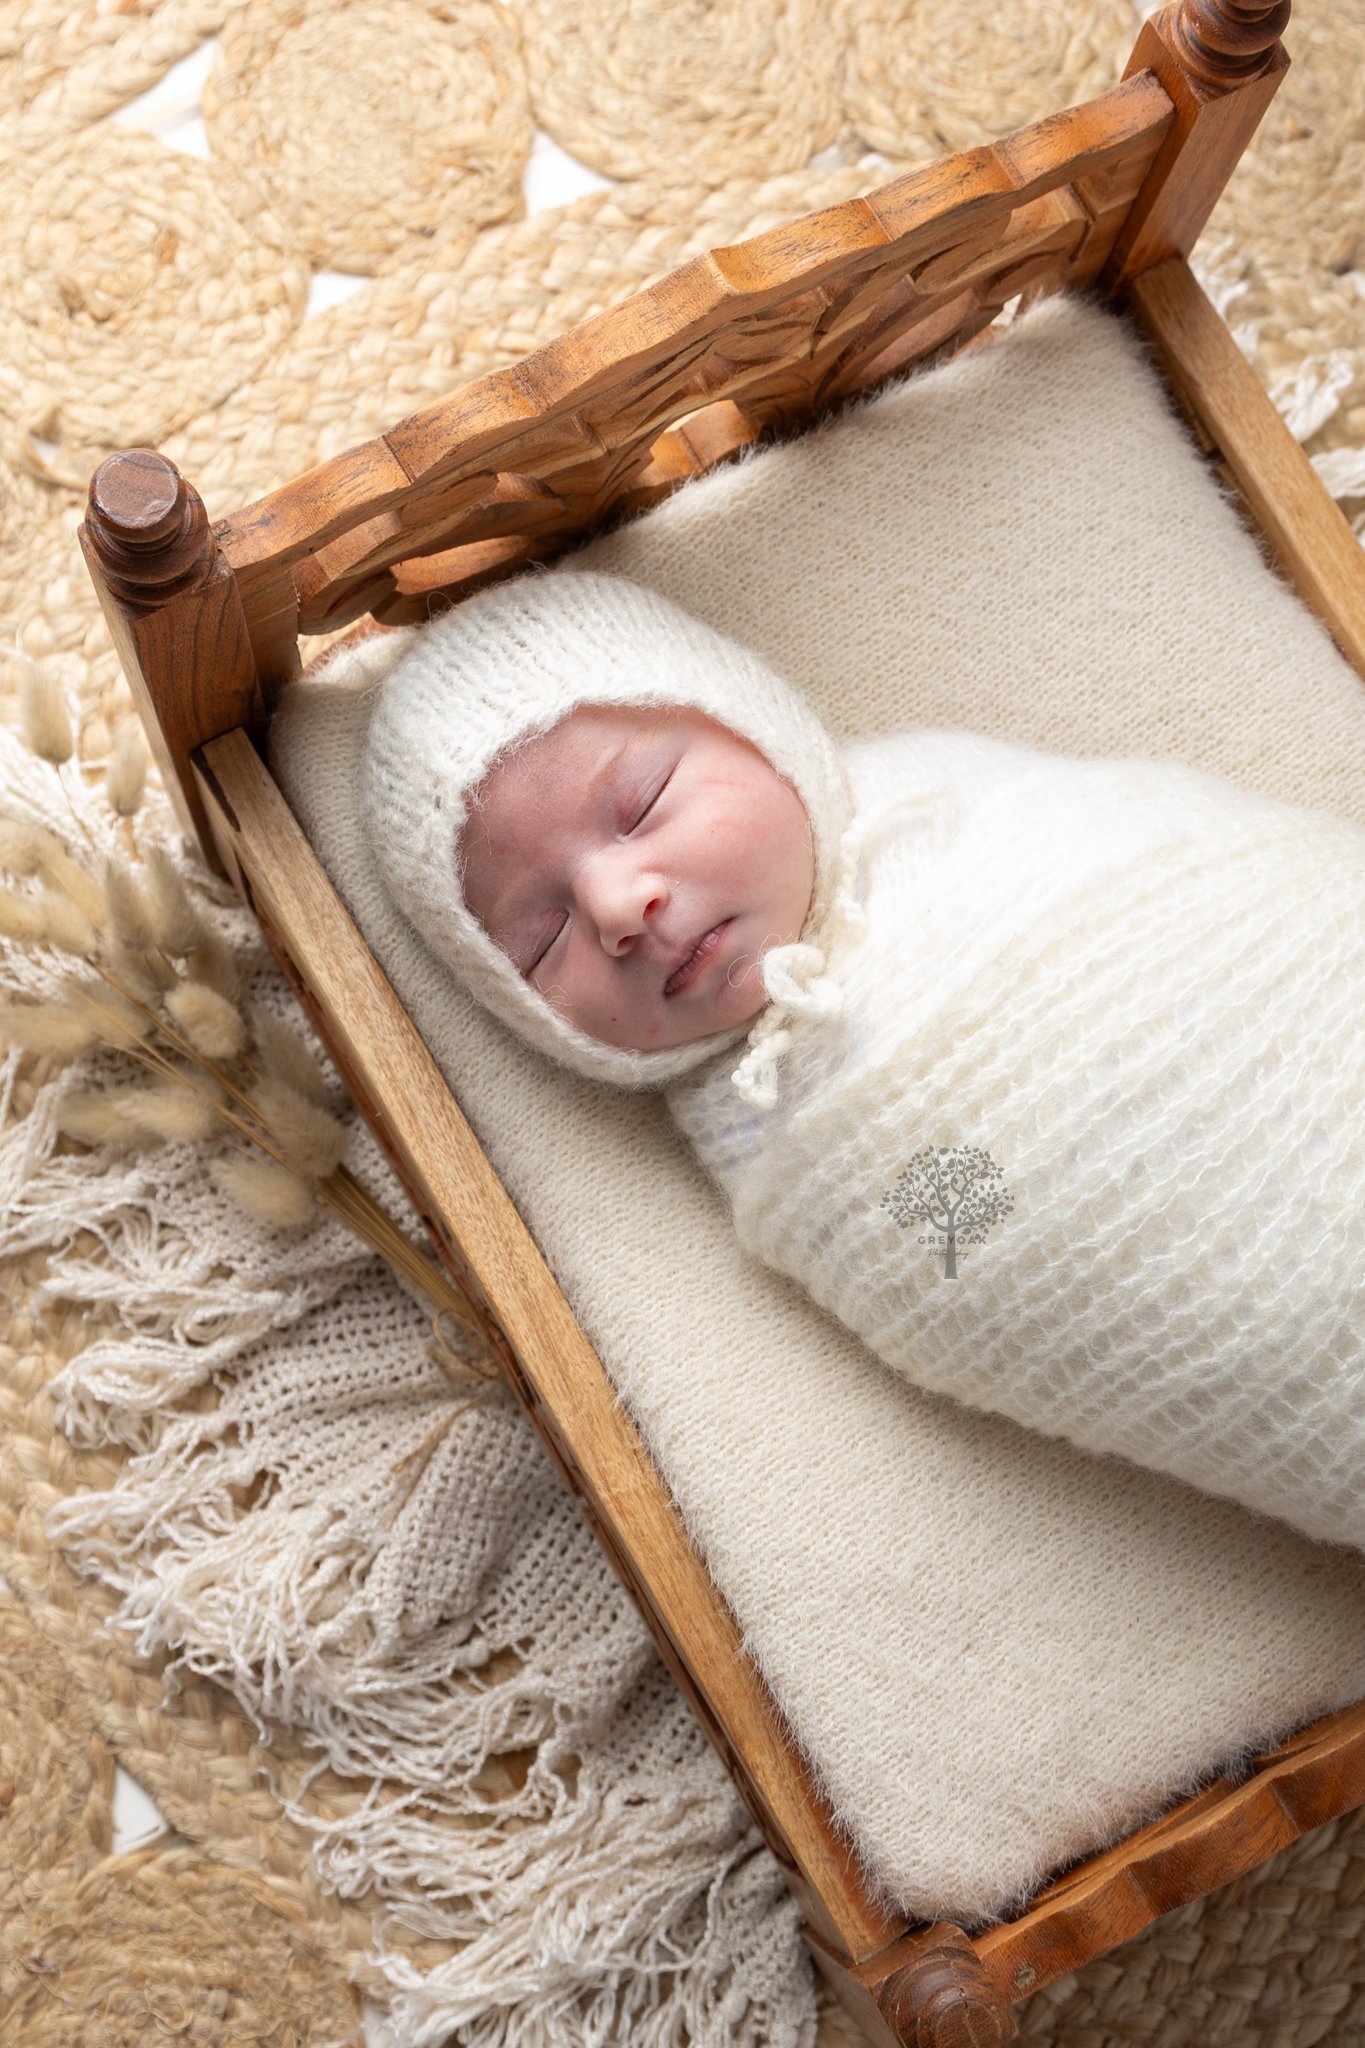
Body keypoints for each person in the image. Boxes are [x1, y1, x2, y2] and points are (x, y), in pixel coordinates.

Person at [360, 566, 1365, 1554]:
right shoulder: (757, 1128)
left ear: (756, 723)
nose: (622, 904)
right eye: (543, 936)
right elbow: (964, 1254)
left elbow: (1233, 918)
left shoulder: (952, 802)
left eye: (645, 801)